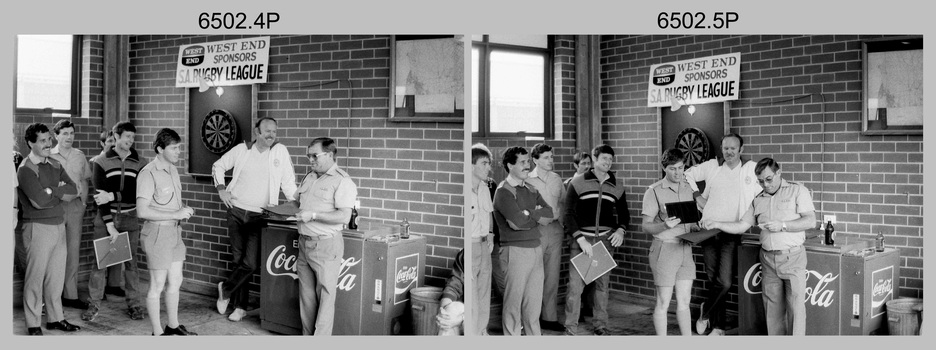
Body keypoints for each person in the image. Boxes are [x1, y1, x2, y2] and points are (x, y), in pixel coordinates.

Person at [702, 158, 816, 336]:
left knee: (795, 308)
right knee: (772, 311)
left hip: (792, 258)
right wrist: (717, 223)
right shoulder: (758, 199)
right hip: (768, 260)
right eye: (760, 181)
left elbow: (810, 220)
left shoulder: (797, 191)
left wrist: (783, 225)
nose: (765, 184)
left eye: (768, 179)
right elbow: (741, 225)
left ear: (778, 173)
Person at [213, 117, 298, 322]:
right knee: (238, 260)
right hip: (235, 210)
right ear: (257, 131)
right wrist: (222, 190)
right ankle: (240, 307)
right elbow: (218, 166)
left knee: (250, 263)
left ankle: (225, 288)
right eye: (267, 131)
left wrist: (299, 204)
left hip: (259, 215)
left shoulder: (280, 151)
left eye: (274, 132)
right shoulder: (242, 149)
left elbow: (288, 183)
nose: (271, 135)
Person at [684, 133, 761, 336]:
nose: (728, 152)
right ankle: (718, 328)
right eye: (725, 148)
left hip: (731, 232)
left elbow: (763, 191)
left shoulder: (751, 169)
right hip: (708, 231)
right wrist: (697, 196)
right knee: (714, 282)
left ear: (741, 150)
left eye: (733, 148)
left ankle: (705, 314)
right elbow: (687, 175)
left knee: (725, 281)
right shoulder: (712, 166)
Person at [16, 122, 81, 335]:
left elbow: (75, 190)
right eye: (42, 140)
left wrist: (51, 190)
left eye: (48, 139)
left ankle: (55, 319)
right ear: (30, 143)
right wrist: (58, 192)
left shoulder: (55, 164)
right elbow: (38, 202)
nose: (48, 143)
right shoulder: (26, 168)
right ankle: (33, 323)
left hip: (58, 226)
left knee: (56, 277)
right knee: (35, 277)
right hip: (37, 228)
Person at [562, 144, 629, 336]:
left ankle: (600, 326)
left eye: (611, 159)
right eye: (604, 158)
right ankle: (570, 328)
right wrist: (580, 239)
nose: (608, 162)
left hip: (604, 242)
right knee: (575, 287)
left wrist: (621, 231)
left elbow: (624, 215)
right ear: (594, 159)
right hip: (582, 241)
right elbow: (568, 214)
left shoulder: (617, 186)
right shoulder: (578, 182)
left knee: (602, 287)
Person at [136, 128, 197, 335]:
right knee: (157, 285)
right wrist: (176, 214)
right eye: (174, 148)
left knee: (176, 280)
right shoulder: (148, 173)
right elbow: (142, 211)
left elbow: (171, 205)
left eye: (179, 147)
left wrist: (181, 212)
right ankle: (157, 333)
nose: (178, 152)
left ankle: (172, 325)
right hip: (157, 234)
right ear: (160, 149)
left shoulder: (172, 169)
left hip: (174, 233)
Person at [84, 121, 148, 321]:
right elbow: (99, 197)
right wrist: (110, 223)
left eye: (133, 137)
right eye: (127, 136)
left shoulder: (141, 163)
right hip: (105, 218)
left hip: (130, 217)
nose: (131, 140)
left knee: (132, 264)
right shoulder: (100, 162)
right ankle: (93, 306)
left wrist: (112, 196)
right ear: (116, 137)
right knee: (100, 264)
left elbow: (136, 192)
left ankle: (135, 305)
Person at [293, 137, 356, 335]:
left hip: (326, 245)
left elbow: (344, 216)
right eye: (308, 155)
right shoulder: (309, 177)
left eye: (314, 155)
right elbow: (297, 203)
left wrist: (313, 215)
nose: (310, 159)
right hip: (304, 243)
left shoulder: (342, 180)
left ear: (329, 155)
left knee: (326, 298)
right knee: (307, 297)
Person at [492, 146, 553, 336]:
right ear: (510, 165)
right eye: (523, 162)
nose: (528, 166)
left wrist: (529, 213)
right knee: (513, 305)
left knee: (533, 308)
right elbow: (517, 223)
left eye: (528, 162)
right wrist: (534, 216)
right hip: (515, 252)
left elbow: (550, 214)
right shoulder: (504, 192)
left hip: (536, 249)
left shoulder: (531, 189)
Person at [641, 149, 697, 335]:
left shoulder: (687, 187)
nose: (678, 173)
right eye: (673, 169)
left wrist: (697, 227)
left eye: (681, 168)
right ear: (664, 168)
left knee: (684, 300)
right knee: (664, 301)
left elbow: (690, 219)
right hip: (664, 249)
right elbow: (646, 227)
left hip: (685, 248)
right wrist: (665, 225)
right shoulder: (654, 191)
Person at [49, 120, 92, 310]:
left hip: (75, 207)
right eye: (65, 133)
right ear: (56, 136)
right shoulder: (48, 156)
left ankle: (71, 295)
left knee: (73, 252)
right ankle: (51, 297)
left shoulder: (79, 156)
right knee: (53, 253)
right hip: (54, 208)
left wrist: (83, 203)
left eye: (72, 133)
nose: (69, 137)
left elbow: (84, 181)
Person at [525, 143, 565, 332]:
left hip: (555, 231)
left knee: (552, 276)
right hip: (536, 230)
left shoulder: (557, 179)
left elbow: (564, 204)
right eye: (546, 157)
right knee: (533, 276)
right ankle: (530, 320)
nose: (551, 161)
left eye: (551, 157)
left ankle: (549, 317)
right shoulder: (527, 180)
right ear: (535, 160)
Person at [91, 130, 127, 299]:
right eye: (109, 141)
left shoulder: (121, 163)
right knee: (102, 251)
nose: (113, 145)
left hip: (118, 209)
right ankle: (100, 290)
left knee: (117, 249)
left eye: (115, 142)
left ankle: (113, 285)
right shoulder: (96, 162)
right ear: (102, 143)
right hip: (101, 210)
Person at [467, 143, 494, 335]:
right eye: (484, 163)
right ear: (471, 166)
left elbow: (489, 214)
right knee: (471, 295)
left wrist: (491, 235)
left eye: (489, 163)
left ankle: (481, 331)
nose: (489, 167)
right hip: (471, 246)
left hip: (485, 245)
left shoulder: (485, 188)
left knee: (484, 292)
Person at [565, 151, 595, 321]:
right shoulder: (570, 184)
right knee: (576, 277)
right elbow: (567, 211)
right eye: (583, 163)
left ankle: (587, 307)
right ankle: (574, 315)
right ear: (576, 165)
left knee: (592, 272)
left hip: (592, 233)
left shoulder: (593, 182)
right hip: (576, 234)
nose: (586, 166)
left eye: (588, 163)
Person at [438, 249, 465, 336]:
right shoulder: (464, 254)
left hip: (477, 313)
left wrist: (461, 319)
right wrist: (443, 311)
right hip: (462, 308)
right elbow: (453, 285)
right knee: (449, 313)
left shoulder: (482, 253)